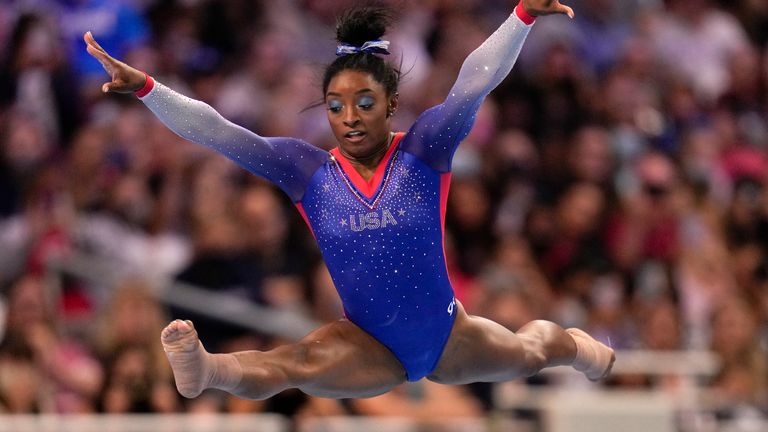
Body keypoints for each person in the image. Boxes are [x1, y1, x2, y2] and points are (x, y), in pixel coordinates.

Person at [84, 0, 614, 401]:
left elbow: (472, 85)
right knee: (298, 360)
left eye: (364, 103)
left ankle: (575, 346)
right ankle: (206, 370)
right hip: (368, 344)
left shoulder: (426, 149)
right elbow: (220, 132)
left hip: (448, 335)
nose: (350, 118)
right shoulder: (305, 170)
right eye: (336, 107)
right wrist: (150, 89)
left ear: (392, 104)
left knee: (530, 352)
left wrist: (520, 15)